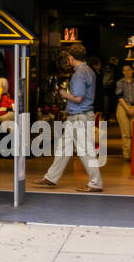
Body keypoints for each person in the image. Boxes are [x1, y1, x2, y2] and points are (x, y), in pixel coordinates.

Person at [33, 44, 103, 192]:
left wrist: (64, 95)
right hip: (80, 116)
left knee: (85, 150)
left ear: (72, 57)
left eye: (69, 57)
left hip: (79, 117)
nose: (68, 60)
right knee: (64, 148)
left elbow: (78, 98)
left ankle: (96, 182)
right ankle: (51, 176)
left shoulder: (79, 74)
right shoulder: (89, 70)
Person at [114, 62, 134, 161]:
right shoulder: (120, 82)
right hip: (123, 106)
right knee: (126, 132)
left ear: (132, 71)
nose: (126, 72)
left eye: (128, 70)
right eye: (124, 70)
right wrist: (127, 109)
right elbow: (119, 97)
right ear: (123, 72)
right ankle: (127, 155)